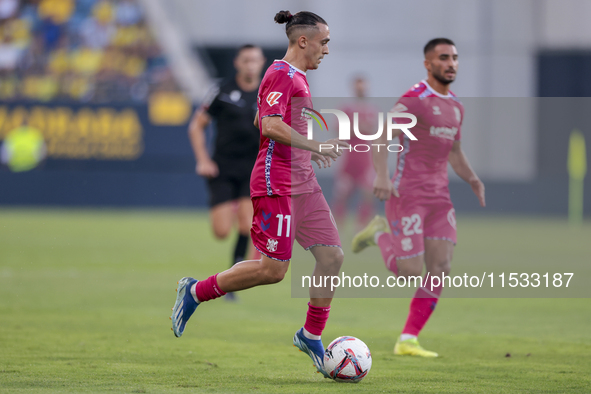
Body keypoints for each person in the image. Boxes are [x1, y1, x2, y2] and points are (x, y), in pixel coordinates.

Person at [172, 10, 348, 378]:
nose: (327, 50)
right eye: (324, 42)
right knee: (273, 271)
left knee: (332, 258)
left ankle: (310, 334)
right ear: (303, 41)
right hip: (276, 183)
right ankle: (196, 292)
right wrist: (314, 146)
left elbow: (259, 119)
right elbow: (269, 125)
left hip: (302, 183)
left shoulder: (293, 76)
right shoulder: (282, 74)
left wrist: (302, 151)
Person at [352, 38, 486, 357]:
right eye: (443, 58)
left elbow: (454, 151)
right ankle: (379, 233)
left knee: (440, 267)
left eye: (454, 57)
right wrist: (382, 175)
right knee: (410, 270)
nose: (451, 63)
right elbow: (382, 134)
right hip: (408, 194)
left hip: (440, 198)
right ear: (428, 64)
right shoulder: (415, 100)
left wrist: (472, 178)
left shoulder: (456, 106)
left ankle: (408, 339)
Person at [188, 44, 265, 292]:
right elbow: (195, 126)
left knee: (246, 227)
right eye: (246, 60)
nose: (250, 65)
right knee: (221, 231)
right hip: (222, 168)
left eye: (254, 60)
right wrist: (203, 160)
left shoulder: (268, 93)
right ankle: (233, 208)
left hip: (252, 170)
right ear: (237, 63)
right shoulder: (221, 90)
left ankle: (234, 277)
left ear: (261, 63)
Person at [332, 76, 378, 229]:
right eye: (358, 87)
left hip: (365, 160)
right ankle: (337, 227)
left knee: (368, 193)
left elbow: (373, 132)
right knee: (342, 195)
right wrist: (357, 128)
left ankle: (362, 226)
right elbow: (339, 130)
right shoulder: (346, 109)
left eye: (363, 87)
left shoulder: (371, 109)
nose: (361, 89)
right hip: (349, 160)